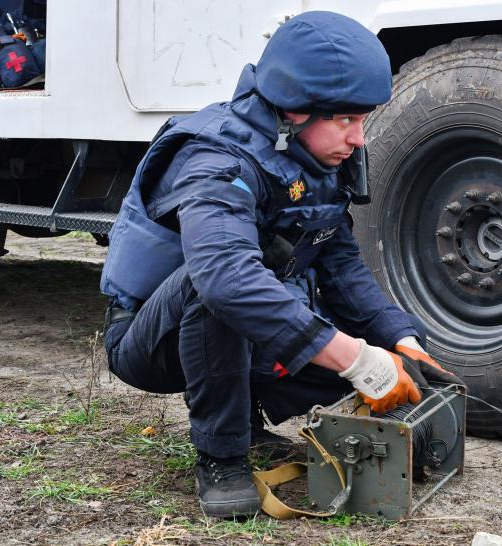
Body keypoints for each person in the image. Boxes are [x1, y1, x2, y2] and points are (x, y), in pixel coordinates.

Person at [100, 11, 462, 518]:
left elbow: (339, 266)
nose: (359, 138)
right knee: (221, 288)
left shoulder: (316, 160)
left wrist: (398, 341)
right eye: (346, 120)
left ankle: (246, 421)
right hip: (150, 342)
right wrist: (355, 358)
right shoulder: (216, 158)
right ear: (295, 111)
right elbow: (225, 280)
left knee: (377, 367)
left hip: (242, 330)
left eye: (363, 120)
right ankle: (222, 457)